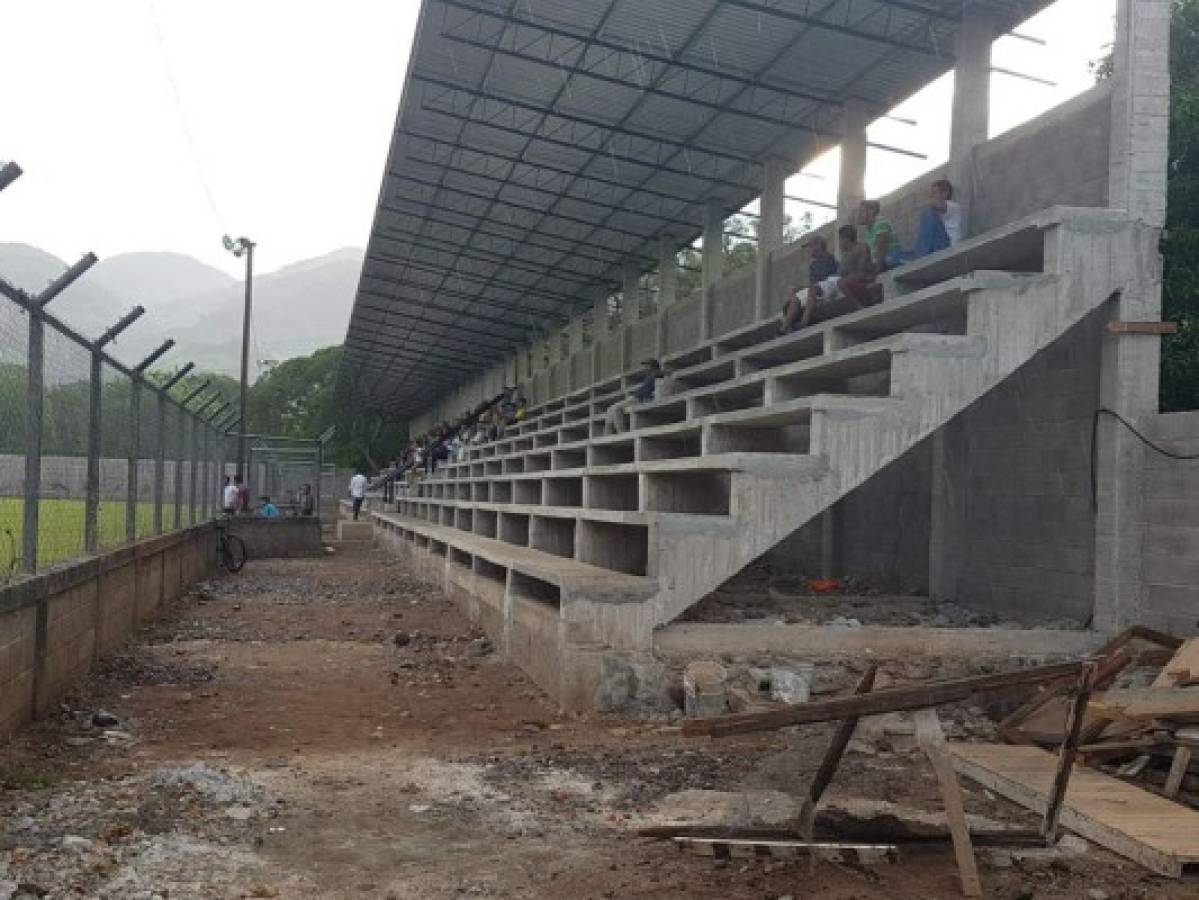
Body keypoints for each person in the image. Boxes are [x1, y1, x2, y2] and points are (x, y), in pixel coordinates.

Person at [889, 179, 962, 267]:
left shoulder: (953, 206)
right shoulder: (936, 213)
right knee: (890, 257)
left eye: (934, 193)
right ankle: (917, 257)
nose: (931, 195)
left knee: (929, 212)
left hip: (947, 247)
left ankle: (919, 258)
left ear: (945, 193)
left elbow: (936, 205)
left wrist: (925, 196)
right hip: (930, 250)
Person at [779, 234, 839, 334]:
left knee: (807, 292)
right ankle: (787, 326)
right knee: (792, 294)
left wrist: (805, 287)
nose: (808, 250)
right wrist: (799, 288)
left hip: (826, 288)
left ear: (818, 246)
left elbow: (823, 280)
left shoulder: (828, 258)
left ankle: (796, 324)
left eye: (810, 247)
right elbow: (812, 283)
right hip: (815, 289)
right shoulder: (813, 264)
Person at [604, 358, 665, 435]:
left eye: (647, 365)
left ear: (652, 366)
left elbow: (664, 373)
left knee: (615, 408)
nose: (645, 367)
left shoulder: (655, 373)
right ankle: (607, 433)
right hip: (635, 397)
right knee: (610, 409)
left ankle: (621, 433)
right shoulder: (649, 376)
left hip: (639, 399)